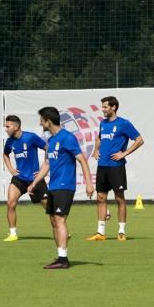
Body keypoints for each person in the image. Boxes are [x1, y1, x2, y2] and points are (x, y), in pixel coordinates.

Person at [32, 107, 93, 269]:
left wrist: (89, 183)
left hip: (65, 186)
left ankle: (63, 259)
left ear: (48, 121)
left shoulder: (67, 138)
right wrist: (35, 182)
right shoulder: (51, 140)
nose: (40, 123)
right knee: (53, 220)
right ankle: (60, 255)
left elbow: (82, 160)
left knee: (60, 220)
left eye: (41, 120)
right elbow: (47, 164)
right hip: (53, 186)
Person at [87, 96, 144, 241]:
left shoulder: (124, 124)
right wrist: (95, 150)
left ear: (113, 107)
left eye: (105, 107)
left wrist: (124, 153)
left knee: (119, 199)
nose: (103, 109)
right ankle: (100, 232)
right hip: (102, 166)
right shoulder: (103, 123)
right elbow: (99, 138)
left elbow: (139, 140)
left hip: (116, 167)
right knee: (100, 198)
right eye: (102, 107)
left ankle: (121, 231)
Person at [2, 115, 49, 241]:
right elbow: (5, 154)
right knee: (10, 203)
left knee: (48, 207)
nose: (5, 129)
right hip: (19, 179)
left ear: (16, 126)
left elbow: (47, 148)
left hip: (35, 179)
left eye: (8, 126)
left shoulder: (31, 137)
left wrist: (44, 167)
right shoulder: (9, 141)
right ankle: (13, 234)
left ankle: (61, 229)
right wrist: (11, 169)